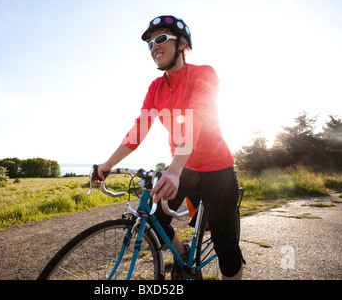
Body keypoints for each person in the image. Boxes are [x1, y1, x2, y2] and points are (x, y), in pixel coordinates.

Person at [93, 15, 244, 279]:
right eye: (150, 43)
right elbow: (140, 128)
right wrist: (108, 164)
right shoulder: (156, 87)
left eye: (161, 39)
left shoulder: (204, 74)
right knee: (153, 221)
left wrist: (173, 169)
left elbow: (195, 119)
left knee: (226, 250)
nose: (154, 47)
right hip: (184, 169)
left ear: (183, 44)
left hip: (217, 170)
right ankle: (183, 254)